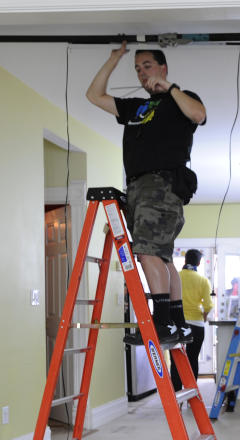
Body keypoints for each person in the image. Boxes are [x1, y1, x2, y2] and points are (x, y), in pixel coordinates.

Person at [86, 43, 206, 344]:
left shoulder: (180, 100)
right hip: (139, 187)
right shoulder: (136, 107)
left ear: (163, 68)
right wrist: (113, 59)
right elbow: (94, 96)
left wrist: (170, 88)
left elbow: (199, 114)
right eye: (138, 68)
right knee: (161, 256)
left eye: (148, 66)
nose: (142, 73)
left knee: (148, 252)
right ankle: (176, 323)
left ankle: (162, 325)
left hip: (161, 184)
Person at [170, 249, 212, 391]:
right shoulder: (203, 281)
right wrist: (203, 317)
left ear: (185, 260)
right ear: (199, 263)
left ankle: (176, 396)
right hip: (196, 325)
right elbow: (208, 305)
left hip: (176, 324)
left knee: (176, 361)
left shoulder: (174, 277)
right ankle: (192, 394)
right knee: (192, 359)